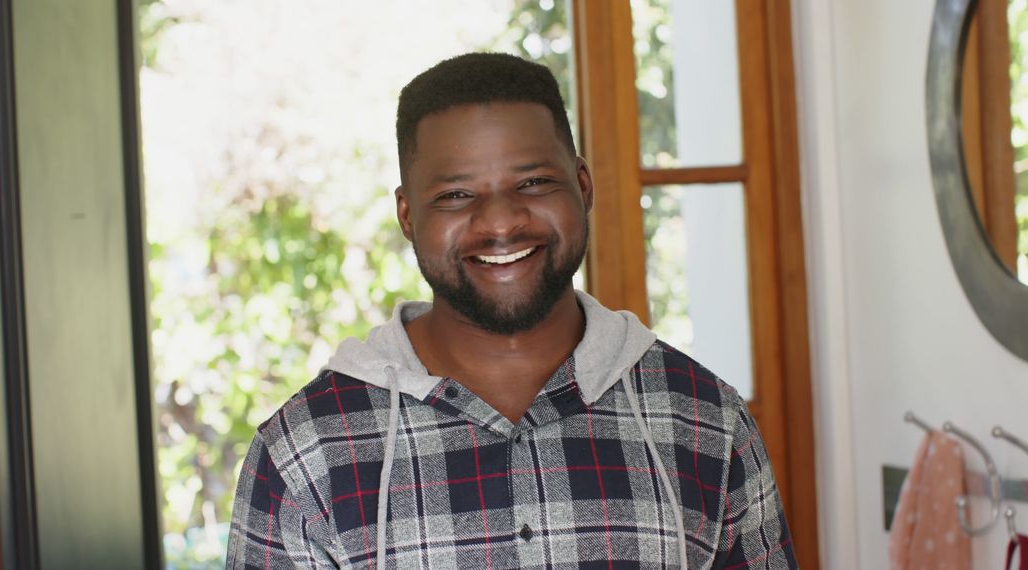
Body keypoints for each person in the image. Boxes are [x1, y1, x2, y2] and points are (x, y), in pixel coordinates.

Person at [226, 52, 795, 569]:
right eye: (456, 195)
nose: (500, 222)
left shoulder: (706, 421)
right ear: (406, 215)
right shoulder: (304, 453)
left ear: (583, 184)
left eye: (533, 182)